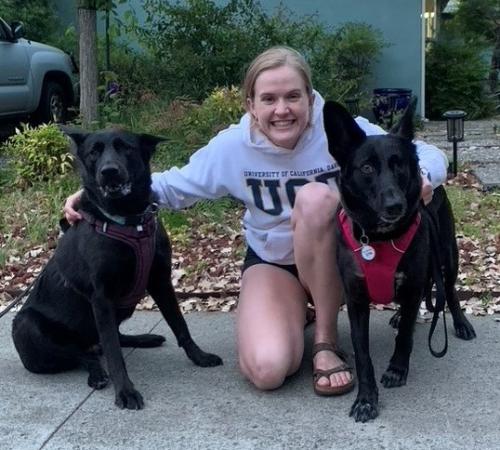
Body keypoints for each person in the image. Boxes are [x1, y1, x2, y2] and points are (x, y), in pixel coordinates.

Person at [63, 46, 445, 395]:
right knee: (267, 370)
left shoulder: (343, 135)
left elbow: (419, 152)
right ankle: (298, 311)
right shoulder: (233, 147)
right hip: (275, 264)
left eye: (293, 96)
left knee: (314, 199)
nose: (282, 109)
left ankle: (326, 340)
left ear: (310, 99)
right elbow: (173, 185)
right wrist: (93, 196)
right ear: (250, 104)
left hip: (338, 262)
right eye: (269, 99)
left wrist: (424, 175)